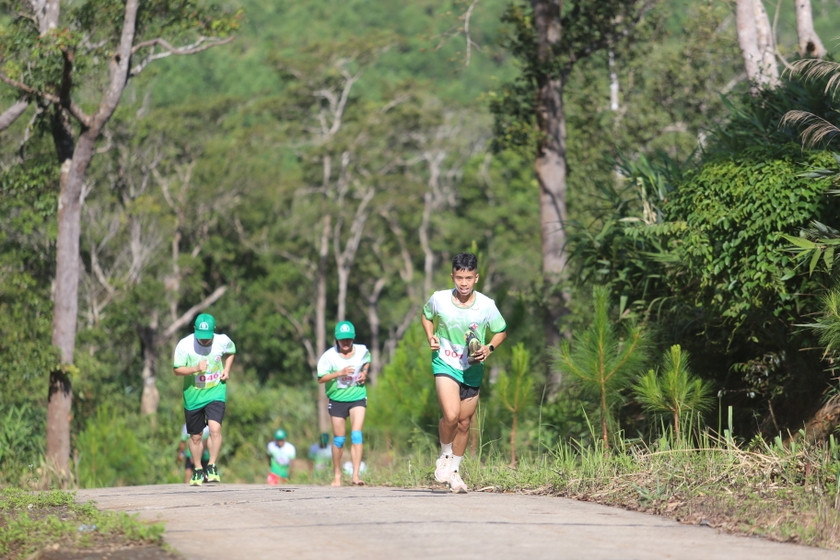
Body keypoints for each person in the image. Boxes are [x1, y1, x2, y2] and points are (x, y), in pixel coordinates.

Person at [420, 252, 507, 493]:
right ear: (452, 277)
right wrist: (431, 336)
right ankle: (445, 455)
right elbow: (426, 316)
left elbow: (501, 331)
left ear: (476, 278)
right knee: (451, 415)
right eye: (459, 277)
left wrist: (489, 348)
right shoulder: (439, 299)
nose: (464, 283)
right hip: (445, 362)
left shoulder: (487, 305)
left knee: (465, 422)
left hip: (472, 367)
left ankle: (455, 471)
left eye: (468, 277)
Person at [173, 312, 236, 486]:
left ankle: (212, 465)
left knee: (215, 429)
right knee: (195, 437)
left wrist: (227, 369)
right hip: (193, 396)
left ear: (213, 332)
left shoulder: (222, 340)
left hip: (216, 391)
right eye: (202, 338)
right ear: (195, 331)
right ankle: (198, 468)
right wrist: (194, 369)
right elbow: (177, 370)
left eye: (208, 338)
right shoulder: (184, 345)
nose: (205, 341)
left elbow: (232, 351)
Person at [317, 320, 371, 487]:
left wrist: (364, 372)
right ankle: (337, 475)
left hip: (357, 396)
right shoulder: (328, 356)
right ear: (336, 339)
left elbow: (367, 360)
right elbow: (320, 378)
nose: (346, 343)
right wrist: (338, 373)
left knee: (356, 434)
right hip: (337, 399)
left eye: (348, 339)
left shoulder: (362, 350)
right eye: (342, 339)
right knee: (339, 440)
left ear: (353, 338)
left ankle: (355, 475)